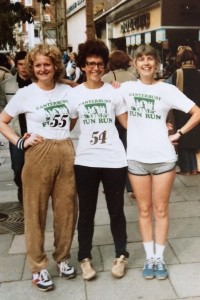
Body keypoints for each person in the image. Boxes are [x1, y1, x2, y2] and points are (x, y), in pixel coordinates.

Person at [118, 44, 200, 280]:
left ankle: (160, 257)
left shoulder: (167, 89)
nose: (145, 63)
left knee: (161, 209)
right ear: (134, 64)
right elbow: (115, 108)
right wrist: (133, 127)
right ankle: (149, 257)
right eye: (141, 59)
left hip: (163, 158)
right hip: (136, 158)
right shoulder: (126, 88)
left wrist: (179, 134)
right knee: (144, 209)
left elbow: (196, 112)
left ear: (156, 63)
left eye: (150, 59)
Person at [0, 44, 77, 292]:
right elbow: (2, 121)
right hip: (38, 153)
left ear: (56, 66)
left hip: (65, 149)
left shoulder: (68, 90)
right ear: (32, 68)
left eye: (48, 64)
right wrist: (20, 141)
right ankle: (38, 266)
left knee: (67, 211)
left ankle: (63, 258)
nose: (43, 69)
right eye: (38, 65)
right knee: (35, 212)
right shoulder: (26, 93)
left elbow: (75, 112)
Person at [68, 39, 129, 281]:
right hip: (86, 160)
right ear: (83, 65)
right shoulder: (74, 94)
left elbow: (127, 123)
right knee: (87, 212)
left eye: (100, 64)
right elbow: (66, 125)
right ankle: (84, 257)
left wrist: (160, 129)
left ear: (105, 65)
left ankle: (121, 254)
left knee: (117, 211)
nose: (95, 68)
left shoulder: (114, 91)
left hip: (114, 159)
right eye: (91, 64)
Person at [102, 50, 137, 198]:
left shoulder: (105, 77)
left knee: (112, 152)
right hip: (129, 118)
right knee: (128, 151)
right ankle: (131, 187)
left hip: (112, 120)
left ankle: (111, 184)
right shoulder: (131, 76)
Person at [0, 51, 32, 203]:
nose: (24, 68)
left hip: (35, 132)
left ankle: (32, 194)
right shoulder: (6, 85)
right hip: (17, 133)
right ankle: (21, 188)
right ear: (16, 65)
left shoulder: (37, 83)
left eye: (26, 64)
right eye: (20, 65)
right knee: (18, 166)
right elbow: (2, 106)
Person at [171, 49, 200, 175]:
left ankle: (186, 169)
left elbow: (171, 88)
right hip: (197, 110)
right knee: (193, 138)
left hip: (182, 111)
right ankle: (194, 168)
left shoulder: (178, 73)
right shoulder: (199, 72)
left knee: (182, 137)